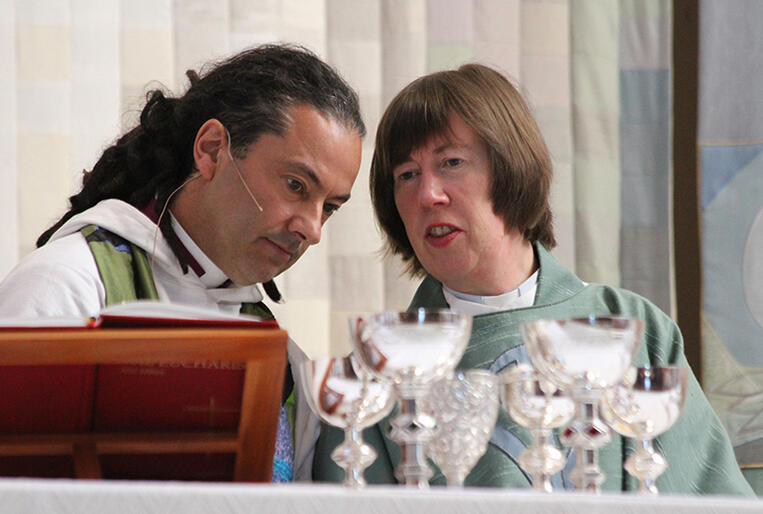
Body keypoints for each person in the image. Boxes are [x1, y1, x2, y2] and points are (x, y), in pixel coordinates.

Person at [312, 63, 754, 495]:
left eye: (451, 162)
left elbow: (708, 498)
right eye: (406, 175)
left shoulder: (629, 328)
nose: (428, 194)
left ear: (511, 167)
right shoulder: (378, 371)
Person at [0, 44, 365, 482]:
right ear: (212, 150)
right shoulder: (68, 287)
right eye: (296, 185)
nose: (312, 228)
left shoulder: (281, 361)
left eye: (330, 207)